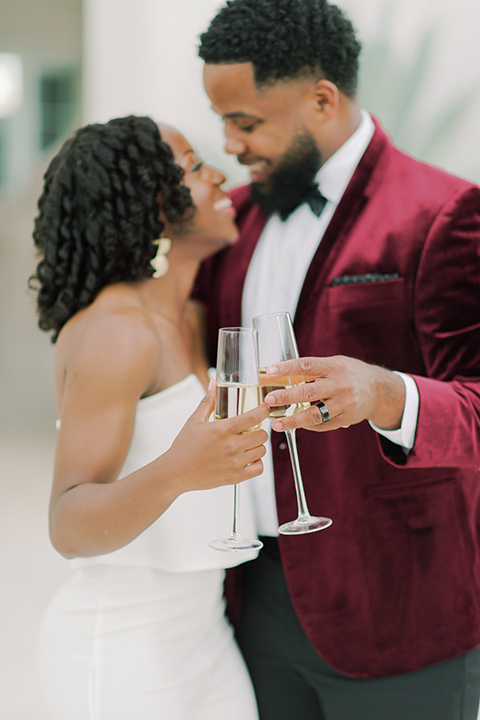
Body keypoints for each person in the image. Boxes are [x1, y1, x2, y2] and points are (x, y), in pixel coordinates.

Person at [194, 1, 480, 718]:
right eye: (222, 121)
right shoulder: (229, 221)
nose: (229, 143)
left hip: (401, 612)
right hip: (250, 600)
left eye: (247, 123)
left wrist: (387, 394)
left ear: (323, 99)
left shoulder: (444, 212)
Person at [30, 114, 269, 720]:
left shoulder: (192, 319)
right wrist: (179, 470)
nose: (219, 175)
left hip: (208, 643)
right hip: (121, 656)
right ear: (153, 206)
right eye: (193, 167)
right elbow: (68, 523)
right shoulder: (118, 333)